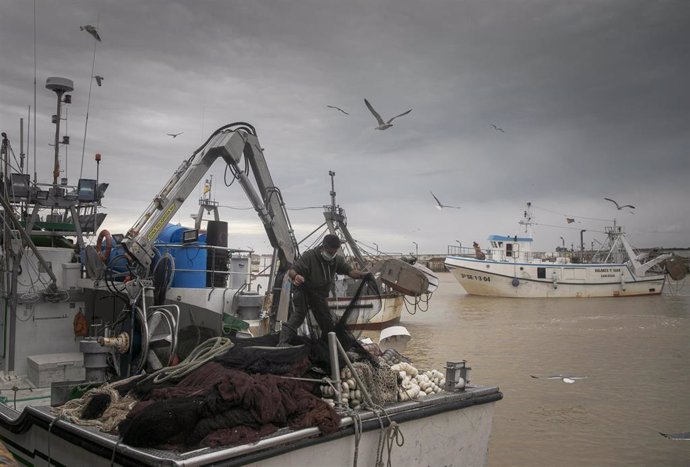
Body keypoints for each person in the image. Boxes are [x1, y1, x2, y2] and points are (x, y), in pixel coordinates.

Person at [278, 234, 369, 346]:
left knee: (327, 322)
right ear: (323, 247)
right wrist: (296, 276)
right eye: (330, 252)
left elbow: (350, 272)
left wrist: (363, 275)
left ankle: (327, 345)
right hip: (303, 292)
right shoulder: (309, 256)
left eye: (334, 253)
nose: (332, 255)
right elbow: (292, 270)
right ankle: (283, 342)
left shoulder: (336, 260)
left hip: (319, 297)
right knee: (299, 315)